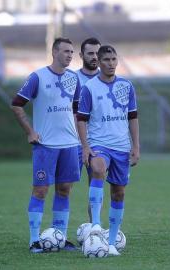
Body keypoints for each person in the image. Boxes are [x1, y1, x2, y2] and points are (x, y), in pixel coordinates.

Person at [11, 37, 81, 253]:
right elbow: (16, 105)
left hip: (70, 144)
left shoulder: (74, 79)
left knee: (64, 190)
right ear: (54, 52)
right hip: (46, 145)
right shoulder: (37, 77)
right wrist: (30, 131)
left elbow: (78, 111)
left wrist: (82, 140)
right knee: (40, 190)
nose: (70, 55)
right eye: (66, 51)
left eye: (72, 51)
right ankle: (34, 240)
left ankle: (59, 236)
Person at [77, 45, 140, 256]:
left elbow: (133, 117)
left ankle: (111, 243)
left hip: (122, 147)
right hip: (99, 144)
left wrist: (136, 147)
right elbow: (81, 119)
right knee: (98, 168)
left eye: (114, 59)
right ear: (99, 62)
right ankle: (95, 223)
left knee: (119, 193)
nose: (111, 63)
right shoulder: (90, 88)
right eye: (106, 60)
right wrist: (85, 146)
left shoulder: (126, 86)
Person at [76, 37, 101, 222]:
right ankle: (58, 232)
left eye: (97, 53)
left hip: (98, 142)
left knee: (96, 185)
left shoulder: (108, 80)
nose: (94, 57)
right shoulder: (73, 79)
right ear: (81, 55)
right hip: (72, 141)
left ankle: (95, 228)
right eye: (90, 53)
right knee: (64, 187)